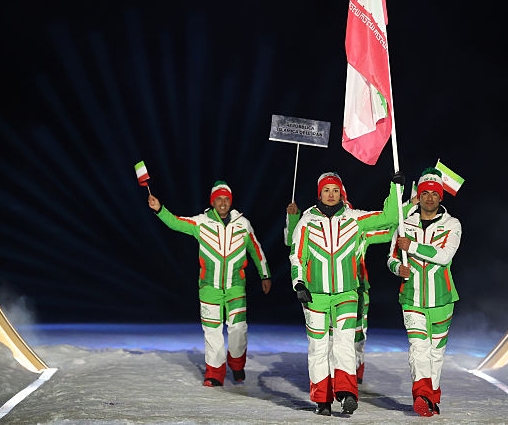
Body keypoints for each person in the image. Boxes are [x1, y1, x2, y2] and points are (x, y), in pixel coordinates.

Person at [289, 170, 402, 416]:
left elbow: (389, 217)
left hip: (347, 294)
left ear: (341, 194)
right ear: (320, 193)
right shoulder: (306, 221)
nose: (331, 195)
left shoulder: (354, 218)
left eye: (335, 190)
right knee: (318, 348)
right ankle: (322, 400)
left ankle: (347, 392)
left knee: (344, 345)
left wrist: (396, 189)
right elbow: (297, 255)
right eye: (326, 190)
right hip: (315, 296)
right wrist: (299, 283)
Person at [148, 180, 272, 387]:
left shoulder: (243, 224)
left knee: (238, 329)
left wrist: (265, 275)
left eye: (226, 199)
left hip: (236, 287)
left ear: (230, 201)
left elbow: (256, 250)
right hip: (209, 287)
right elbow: (176, 222)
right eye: (218, 199)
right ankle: (214, 373)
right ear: (212, 202)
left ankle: (237, 364)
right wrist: (159, 209)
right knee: (212, 332)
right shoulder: (201, 222)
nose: (223, 203)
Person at [387, 167, 462, 417]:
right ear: (418, 196)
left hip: (442, 298)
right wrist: (398, 268)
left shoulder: (452, 224)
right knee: (418, 347)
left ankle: (432, 396)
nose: (429, 198)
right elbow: (391, 258)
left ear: (441, 196)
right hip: (411, 297)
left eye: (434, 193)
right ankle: (422, 396)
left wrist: (412, 246)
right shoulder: (404, 223)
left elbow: (444, 256)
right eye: (425, 193)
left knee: (436, 353)